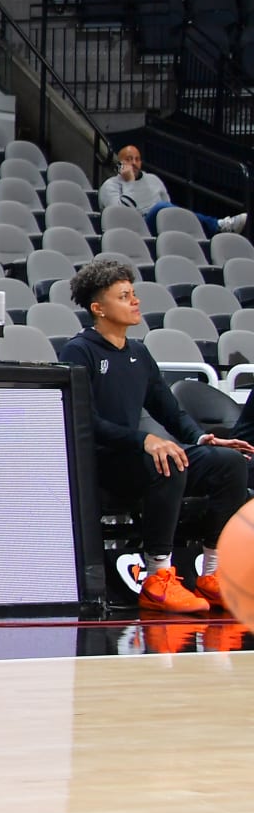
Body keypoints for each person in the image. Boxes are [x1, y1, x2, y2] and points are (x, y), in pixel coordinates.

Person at [59, 258, 254, 612]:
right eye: (124, 296)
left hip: (137, 456)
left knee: (229, 463)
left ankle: (213, 573)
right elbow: (84, 419)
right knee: (166, 459)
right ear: (98, 308)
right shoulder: (79, 350)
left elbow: (170, 409)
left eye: (134, 294)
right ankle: (157, 578)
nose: (135, 301)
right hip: (101, 461)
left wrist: (201, 439)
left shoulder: (139, 352)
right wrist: (144, 440)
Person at [97, 145, 246, 235]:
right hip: (133, 231)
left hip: (160, 228)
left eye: (137, 159)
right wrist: (129, 182)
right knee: (161, 208)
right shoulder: (109, 186)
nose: (134, 163)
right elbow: (120, 216)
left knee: (167, 210)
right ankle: (217, 226)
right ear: (120, 164)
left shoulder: (153, 180)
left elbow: (170, 208)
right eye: (129, 159)